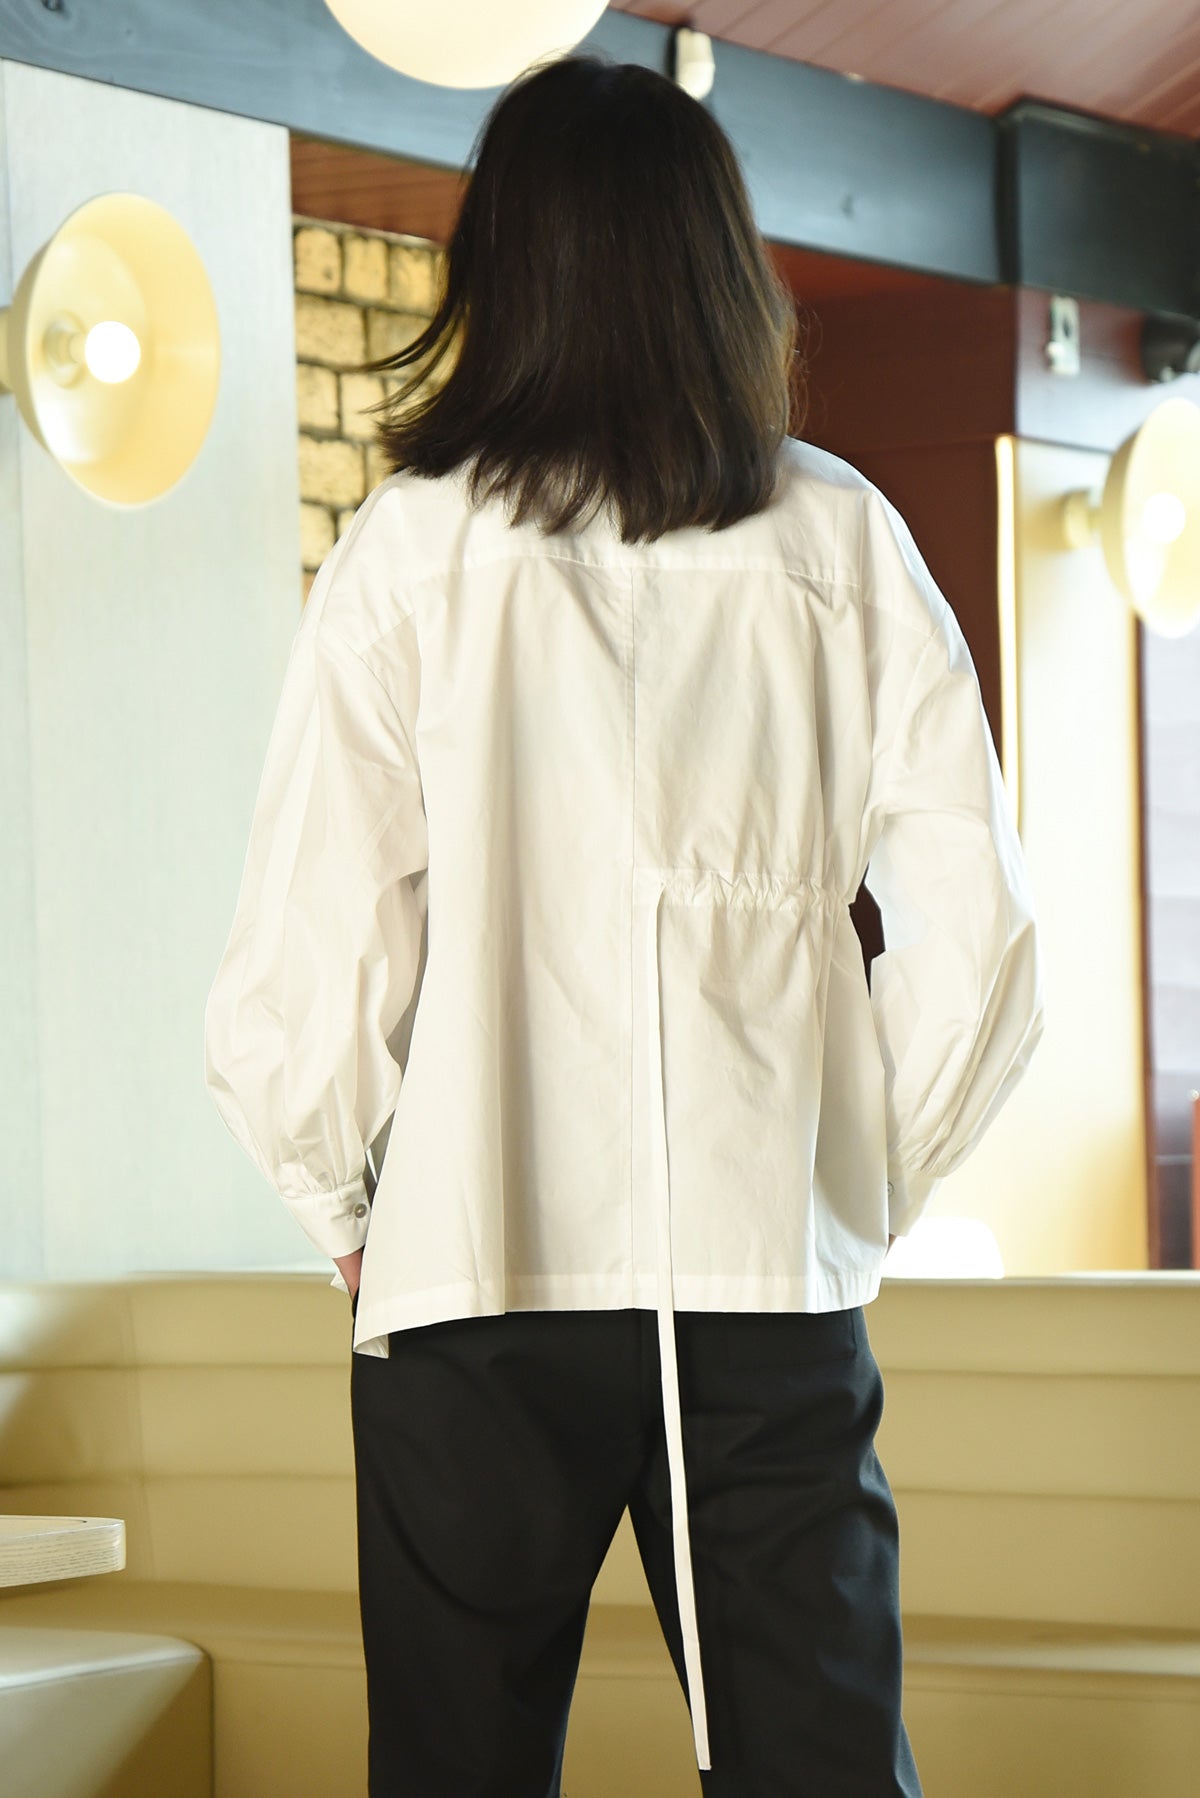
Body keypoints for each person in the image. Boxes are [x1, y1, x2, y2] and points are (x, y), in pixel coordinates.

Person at [203, 48, 1045, 1798]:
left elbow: (313, 936)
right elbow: (978, 930)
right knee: (820, 1767)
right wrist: (848, 1173)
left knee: (457, 1769)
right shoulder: (843, 544)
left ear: (500, 275)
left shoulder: (407, 555)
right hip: (760, 1277)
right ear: (721, 274)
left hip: (471, 1262)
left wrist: (340, 1198)